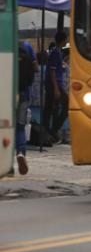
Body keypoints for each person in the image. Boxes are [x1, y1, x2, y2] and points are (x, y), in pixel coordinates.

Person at [16, 40, 39, 175]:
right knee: (20, 127)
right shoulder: (27, 46)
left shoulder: (4, 43)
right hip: (23, 93)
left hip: (5, 94)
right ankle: (20, 153)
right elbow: (35, 68)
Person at [43, 31, 68, 144]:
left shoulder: (58, 52)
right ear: (63, 40)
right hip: (55, 84)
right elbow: (52, 71)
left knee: (53, 108)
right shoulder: (55, 53)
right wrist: (56, 89)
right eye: (65, 40)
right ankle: (50, 131)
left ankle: (51, 132)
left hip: (57, 83)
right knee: (63, 105)